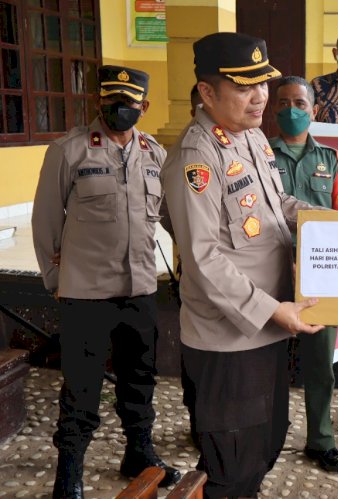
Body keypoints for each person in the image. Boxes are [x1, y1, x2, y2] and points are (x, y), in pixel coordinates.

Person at [161, 32, 323, 498]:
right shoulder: (198, 156)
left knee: (266, 443)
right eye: (244, 87)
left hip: (270, 328)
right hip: (230, 341)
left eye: (263, 84)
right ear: (207, 92)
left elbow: (276, 206)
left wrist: (326, 221)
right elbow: (202, 258)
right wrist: (274, 310)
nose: (260, 98)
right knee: (232, 464)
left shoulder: (250, 136)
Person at [31, 65, 180, 498]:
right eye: (110, 100)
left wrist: (192, 262)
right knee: (81, 387)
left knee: (141, 380)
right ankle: (70, 471)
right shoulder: (69, 150)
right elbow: (44, 221)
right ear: (98, 102)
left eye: (128, 102)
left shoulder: (155, 153)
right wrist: (57, 277)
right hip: (85, 294)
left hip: (140, 290)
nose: (118, 109)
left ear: (143, 107)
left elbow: (173, 218)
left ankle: (139, 452)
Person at [270, 75, 338, 472]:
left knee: (320, 364)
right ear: (275, 110)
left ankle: (320, 439)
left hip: (321, 279)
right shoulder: (258, 155)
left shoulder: (331, 159)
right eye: (285, 103)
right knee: (265, 361)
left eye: (300, 103)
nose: (292, 110)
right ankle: (267, 436)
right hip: (267, 275)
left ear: (314, 109)